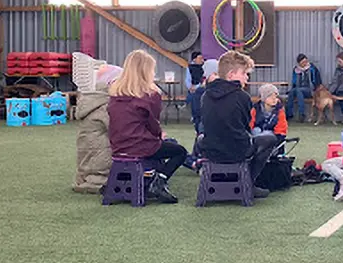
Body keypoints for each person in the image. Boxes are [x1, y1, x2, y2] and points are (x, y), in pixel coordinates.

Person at [108, 50, 186, 203]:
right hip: (141, 146)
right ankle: (159, 182)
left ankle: (142, 181)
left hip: (118, 145)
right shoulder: (150, 95)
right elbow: (153, 125)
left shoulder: (115, 94)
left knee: (163, 146)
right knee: (179, 151)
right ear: (147, 71)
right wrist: (160, 135)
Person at [199, 50, 279, 197]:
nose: (246, 78)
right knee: (270, 139)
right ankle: (248, 182)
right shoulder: (243, 97)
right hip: (237, 151)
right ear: (231, 75)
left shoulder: (205, 96)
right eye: (244, 73)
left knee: (201, 137)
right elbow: (246, 127)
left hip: (211, 150)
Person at [73, 64, 122, 194]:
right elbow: (120, 130)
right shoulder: (105, 106)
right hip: (100, 161)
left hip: (87, 158)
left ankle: (86, 179)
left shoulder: (91, 102)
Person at [288, 53, 321, 123]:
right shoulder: (296, 70)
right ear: (299, 63)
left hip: (310, 89)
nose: (305, 63)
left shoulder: (312, 68)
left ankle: (301, 114)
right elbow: (294, 81)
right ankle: (289, 114)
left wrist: (316, 89)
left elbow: (317, 80)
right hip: (299, 88)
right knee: (292, 92)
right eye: (302, 62)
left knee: (298, 91)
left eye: (305, 61)